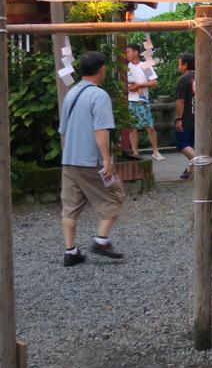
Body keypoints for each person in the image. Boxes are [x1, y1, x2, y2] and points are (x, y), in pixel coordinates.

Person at [58, 52, 125, 266]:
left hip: (70, 159)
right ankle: (101, 239)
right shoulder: (99, 95)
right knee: (115, 196)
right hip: (90, 160)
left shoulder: (71, 94)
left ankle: (71, 251)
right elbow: (101, 130)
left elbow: (63, 130)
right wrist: (107, 160)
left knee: (70, 206)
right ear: (101, 69)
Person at [125, 44, 164, 161]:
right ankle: (135, 152)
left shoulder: (145, 65)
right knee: (132, 128)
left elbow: (154, 82)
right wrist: (130, 87)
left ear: (136, 52)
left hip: (142, 100)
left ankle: (155, 151)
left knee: (150, 127)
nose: (127, 54)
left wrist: (139, 85)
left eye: (129, 52)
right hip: (130, 100)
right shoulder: (126, 67)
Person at [174, 53, 196, 180]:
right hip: (199, 117)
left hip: (186, 117)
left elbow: (180, 101)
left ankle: (199, 163)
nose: (179, 66)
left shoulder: (183, 80)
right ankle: (190, 170)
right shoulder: (200, 76)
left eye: (179, 63)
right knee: (192, 144)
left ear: (185, 64)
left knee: (181, 142)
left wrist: (178, 119)